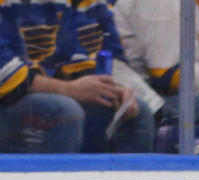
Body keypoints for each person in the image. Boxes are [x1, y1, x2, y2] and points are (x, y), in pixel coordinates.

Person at [0, 0, 154, 153]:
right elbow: (3, 69)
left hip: (54, 94)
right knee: (63, 110)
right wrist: (68, 89)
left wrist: (117, 87)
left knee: (137, 110)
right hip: (9, 100)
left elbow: (111, 54)